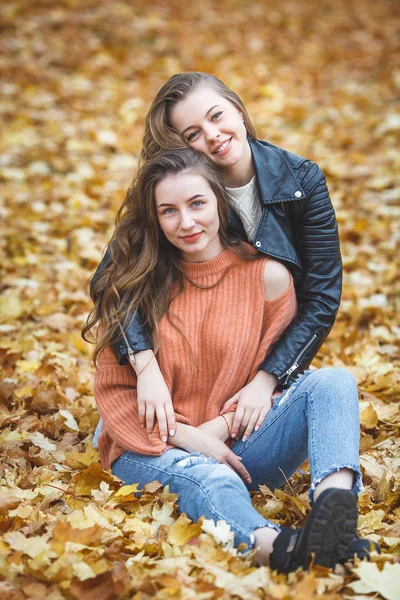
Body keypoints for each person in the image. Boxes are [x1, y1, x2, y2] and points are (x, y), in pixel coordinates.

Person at [84, 148, 367, 573]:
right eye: (169, 211)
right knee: (209, 478)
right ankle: (279, 549)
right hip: (150, 447)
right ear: (156, 219)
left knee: (333, 383)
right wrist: (189, 437)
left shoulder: (267, 278)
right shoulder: (135, 286)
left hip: (241, 447)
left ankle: (335, 513)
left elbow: (268, 383)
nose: (186, 222)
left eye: (197, 203)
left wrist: (218, 430)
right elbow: (117, 397)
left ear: (220, 200)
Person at [91, 72, 344, 449]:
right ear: (183, 146)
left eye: (217, 116)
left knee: (334, 385)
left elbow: (322, 296)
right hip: (179, 377)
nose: (212, 135)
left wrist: (265, 381)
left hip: (250, 374)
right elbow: (112, 279)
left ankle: (334, 502)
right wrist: (145, 370)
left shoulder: (301, 181)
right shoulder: (180, 196)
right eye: (193, 133)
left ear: (239, 111)